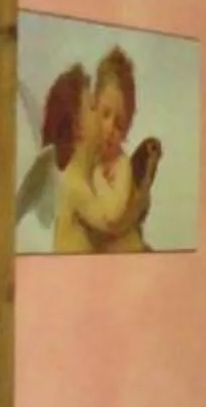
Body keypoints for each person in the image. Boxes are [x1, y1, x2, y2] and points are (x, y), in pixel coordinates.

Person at [47, 45, 159, 254]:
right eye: (103, 113)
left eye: (120, 125)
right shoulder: (78, 175)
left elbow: (114, 216)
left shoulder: (119, 164)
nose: (109, 129)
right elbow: (109, 221)